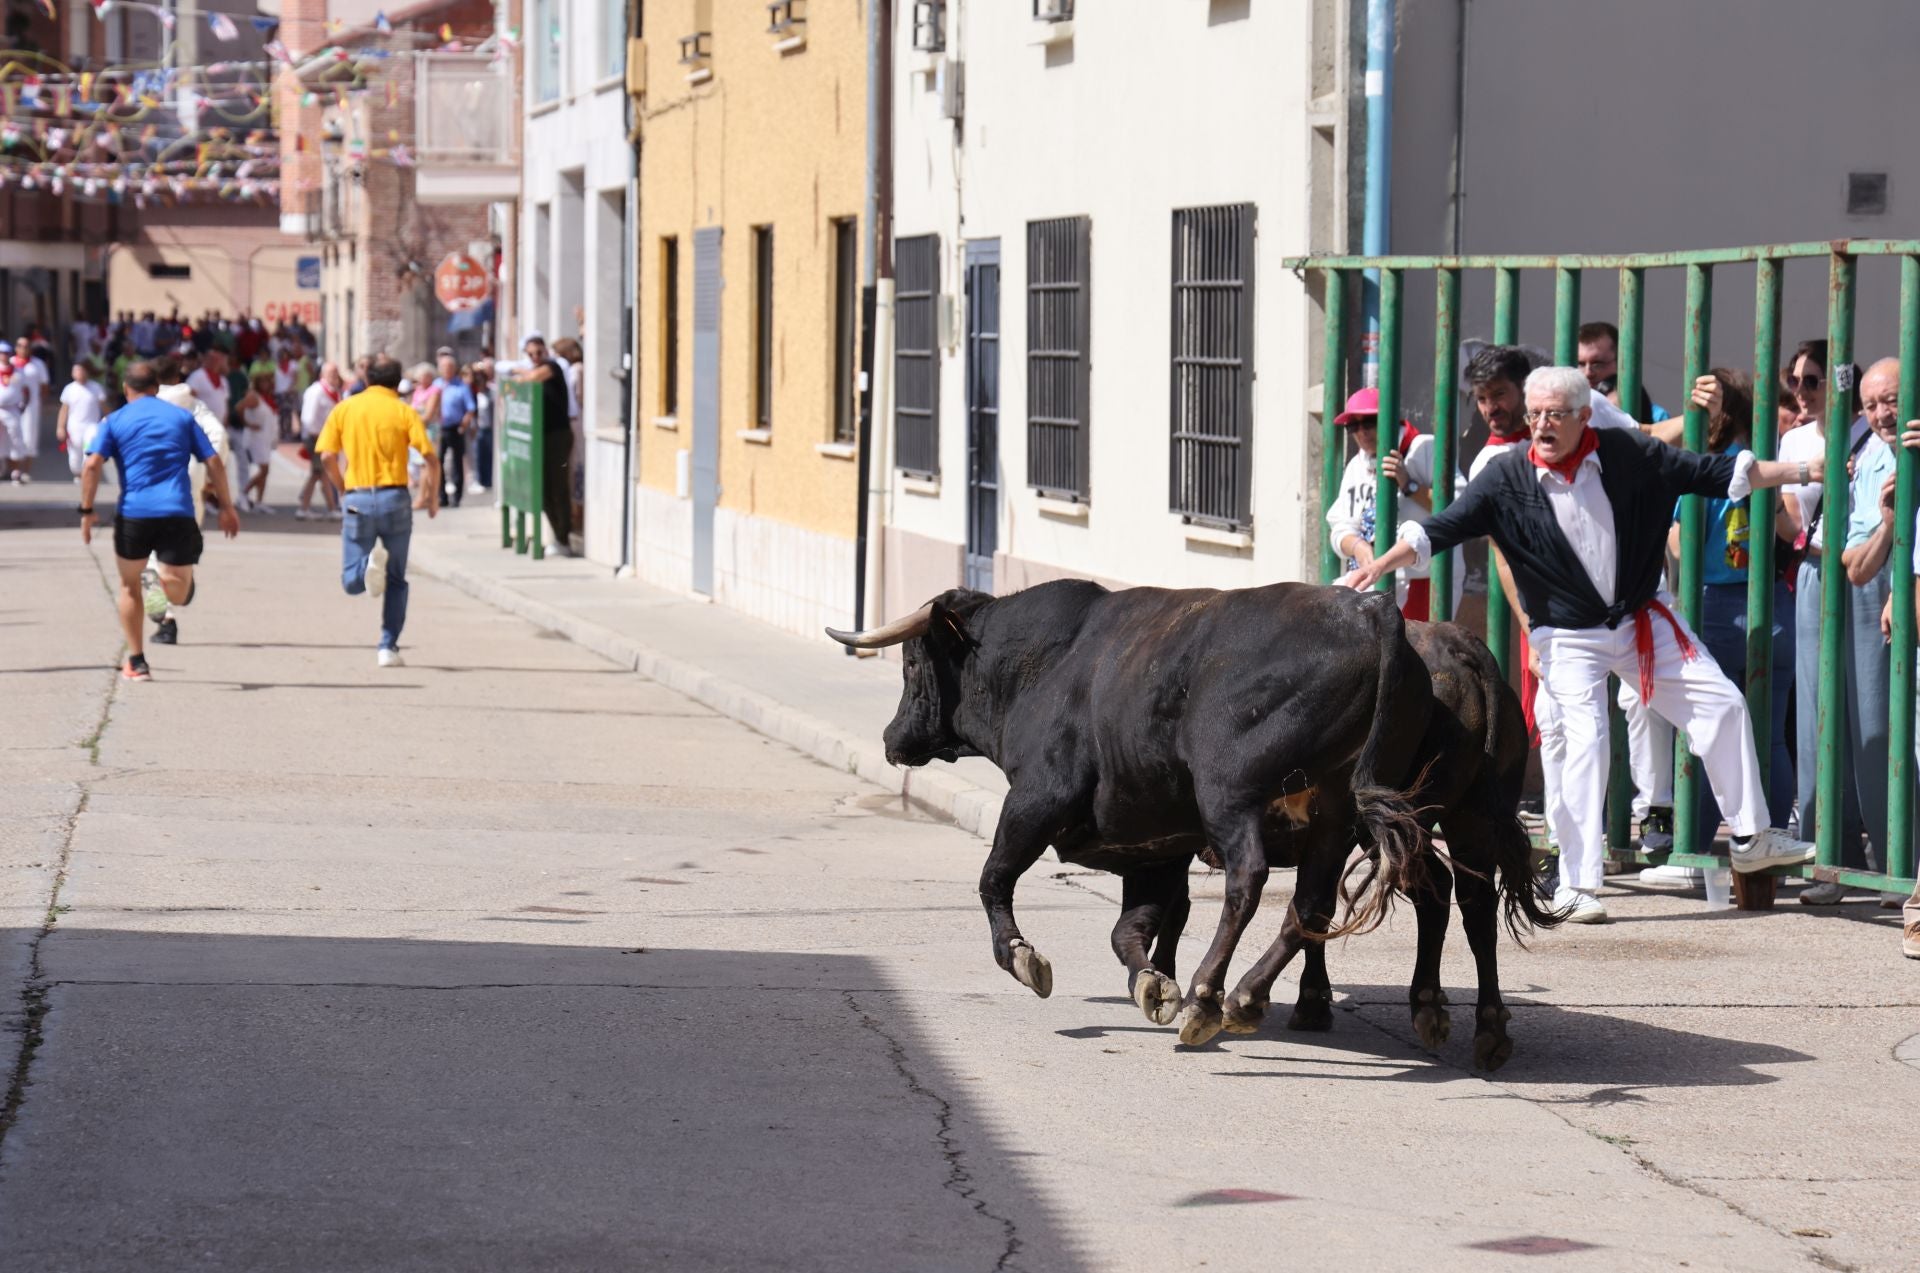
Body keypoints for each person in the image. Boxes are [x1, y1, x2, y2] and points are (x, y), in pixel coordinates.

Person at [1344, 365, 1819, 923]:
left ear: (1584, 417)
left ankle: (1750, 836)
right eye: (1535, 414)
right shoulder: (1506, 477)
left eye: (1555, 414)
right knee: (1586, 740)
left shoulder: (1626, 455)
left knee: (1723, 705)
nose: (1542, 425)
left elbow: (1720, 472)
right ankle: (1578, 884)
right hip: (1568, 634)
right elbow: (1441, 528)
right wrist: (1379, 563)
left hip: (1642, 618)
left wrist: (1808, 467)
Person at [1464, 345, 1682, 883]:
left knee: (1645, 694)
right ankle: (1565, 846)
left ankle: (1655, 809)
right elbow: (1504, 558)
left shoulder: (1586, 409)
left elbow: (1647, 444)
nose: (1493, 408)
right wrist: (1532, 630)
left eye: (1502, 396)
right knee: (1562, 729)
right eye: (1482, 399)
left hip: (1628, 589)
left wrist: (1700, 417)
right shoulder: (1492, 464)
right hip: (1556, 615)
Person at [1665, 369, 1798, 839]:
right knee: (1773, 737)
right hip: (1773, 606)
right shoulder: (1767, 459)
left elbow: (1683, 546)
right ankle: (1773, 843)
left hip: (1715, 606)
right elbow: (1790, 530)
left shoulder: (1705, 464)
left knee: (1708, 732)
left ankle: (1696, 846)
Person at [80, 361, 241, 680]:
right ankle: (161, 583)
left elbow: (92, 465)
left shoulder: (114, 420)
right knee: (180, 592)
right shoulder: (183, 417)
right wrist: (226, 506)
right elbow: (213, 460)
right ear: (156, 388)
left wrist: (86, 511)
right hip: (177, 512)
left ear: (126, 389)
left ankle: (137, 662)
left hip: (133, 514)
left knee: (129, 588)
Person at [1824, 358, 1917, 905]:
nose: (1883, 414)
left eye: (1894, 399)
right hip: (1886, 604)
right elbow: (1855, 564)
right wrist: (1888, 523)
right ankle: (1896, 864)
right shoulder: (1872, 455)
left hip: (1906, 596)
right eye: (1871, 405)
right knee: (1879, 732)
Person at [314, 354, 440, 666]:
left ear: (367, 379)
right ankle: (388, 647)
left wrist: (341, 487)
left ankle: (366, 565)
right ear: (398, 383)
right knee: (397, 579)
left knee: (351, 581)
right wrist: (432, 496)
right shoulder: (403, 411)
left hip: (358, 498)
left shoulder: (345, 408)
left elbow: (327, 456)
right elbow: (430, 457)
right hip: (395, 498)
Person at [1326, 386, 1463, 619]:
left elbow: (1458, 511)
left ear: (1390, 420)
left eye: (1368, 422)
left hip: (1423, 578)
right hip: (1369, 580)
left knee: (1415, 650)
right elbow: (1340, 524)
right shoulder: (1356, 465)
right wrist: (1358, 547)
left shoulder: (1426, 448)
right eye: (1353, 426)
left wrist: (1409, 485)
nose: (1361, 432)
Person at [515, 334, 575, 554]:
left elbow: (532, 377)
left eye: (539, 352)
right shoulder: (532, 368)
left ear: (546, 352)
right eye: (531, 354)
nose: (536, 357)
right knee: (543, 489)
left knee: (558, 487)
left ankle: (563, 538)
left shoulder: (553, 367)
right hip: (542, 436)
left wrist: (520, 373)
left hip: (558, 435)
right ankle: (557, 535)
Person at [1576, 321, 1670, 422]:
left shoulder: (1658, 417)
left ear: (1621, 363)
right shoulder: (1562, 412)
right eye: (1580, 364)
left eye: (1597, 364)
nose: (1588, 373)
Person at [296, 361, 345, 521]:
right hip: (317, 438)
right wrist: (320, 437)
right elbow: (308, 419)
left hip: (326, 438)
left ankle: (310, 505)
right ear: (322, 375)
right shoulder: (316, 392)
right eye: (331, 374)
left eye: (336, 373)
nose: (335, 377)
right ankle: (320, 507)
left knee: (320, 473)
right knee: (321, 472)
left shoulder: (333, 392)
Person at [433, 353, 475, 508]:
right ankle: (442, 496)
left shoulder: (462, 386)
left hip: (456, 427)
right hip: (440, 428)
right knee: (438, 461)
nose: (447, 370)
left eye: (450, 367)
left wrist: (463, 425)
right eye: (444, 367)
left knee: (457, 462)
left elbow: (470, 408)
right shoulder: (437, 385)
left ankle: (457, 496)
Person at [56, 361, 108, 484]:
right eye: (76, 371)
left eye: (81, 370)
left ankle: (87, 476)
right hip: (74, 428)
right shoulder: (69, 389)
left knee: (88, 454)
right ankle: (78, 474)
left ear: (87, 372)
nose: (78, 373)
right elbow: (64, 410)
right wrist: (60, 427)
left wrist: (110, 421)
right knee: (74, 458)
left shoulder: (96, 388)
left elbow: (104, 408)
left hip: (91, 427)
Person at [236, 371, 279, 512]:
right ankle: (244, 492)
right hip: (257, 439)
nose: (265, 385)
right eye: (262, 382)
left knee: (265, 471)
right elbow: (239, 407)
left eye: (267, 382)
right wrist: (247, 423)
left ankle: (260, 500)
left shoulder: (267, 397)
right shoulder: (253, 396)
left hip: (266, 438)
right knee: (264, 469)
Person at [0, 343, 31, 483]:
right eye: (1, 353)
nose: (4, 355)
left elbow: (26, 390)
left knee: (16, 439)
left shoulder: (18, 372)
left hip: (12, 409)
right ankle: (3, 469)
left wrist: (23, 405)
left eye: (6, 353)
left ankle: (16, 472)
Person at [469, 363, 495, 493]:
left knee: (490, 456)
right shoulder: (472, 394)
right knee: (478, 456)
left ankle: (489, 480)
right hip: (478, 429)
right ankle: (479, 480)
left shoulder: (491, 392)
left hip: (489, 428)